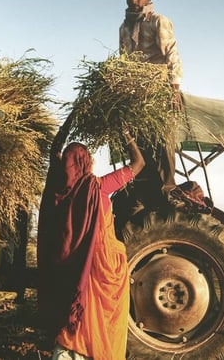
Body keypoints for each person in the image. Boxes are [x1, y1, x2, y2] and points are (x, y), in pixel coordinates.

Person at [37, 117, 145, 360]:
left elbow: (54, 150)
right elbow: (139, 163)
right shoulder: (99, 187)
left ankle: (68, 352)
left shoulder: (57, 184)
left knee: (75, 314)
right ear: (86, 162)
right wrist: (125, 131)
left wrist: (69, 122)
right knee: (102, 318)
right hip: (101, 265)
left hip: (71, 268)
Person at [118, 0, 183, 212]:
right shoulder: (124, 27)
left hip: (159, 90)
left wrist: (174, 89)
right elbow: (123, 62)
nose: (133, 1)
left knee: (163, 140)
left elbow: (172, 55)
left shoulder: (158, 21)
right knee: (138, 143)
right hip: (137, 95)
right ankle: (142, 192)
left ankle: (168, 190)